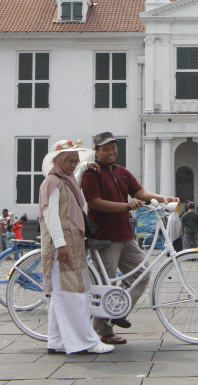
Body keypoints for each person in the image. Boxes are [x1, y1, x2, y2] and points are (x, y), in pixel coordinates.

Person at [81, 131, 178, 346]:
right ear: (96, 152)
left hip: (126, 235)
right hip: (104, 238)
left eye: (113, 147)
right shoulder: (92, 174)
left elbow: (140, 193)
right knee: (106, 283)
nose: (111, 152)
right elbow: (95, 202)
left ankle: (117, 310)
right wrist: (126, 205)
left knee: (142, 274)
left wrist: (164, 198)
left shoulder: (122, 172)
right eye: (105, 148)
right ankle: (104, 331)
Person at [39, 139, 113, 355]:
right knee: (72, 295)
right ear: (59, 160)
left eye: (75, 161)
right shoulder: (53, 183)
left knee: (66, 294)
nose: (73, 164)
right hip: (63, 247)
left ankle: (58, 340)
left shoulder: (65, 181)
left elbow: (74, 183)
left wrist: (82, 168)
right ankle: (84, 341)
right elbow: (51, 216)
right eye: (69, 160)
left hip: (72, 244)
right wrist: (60, 245)